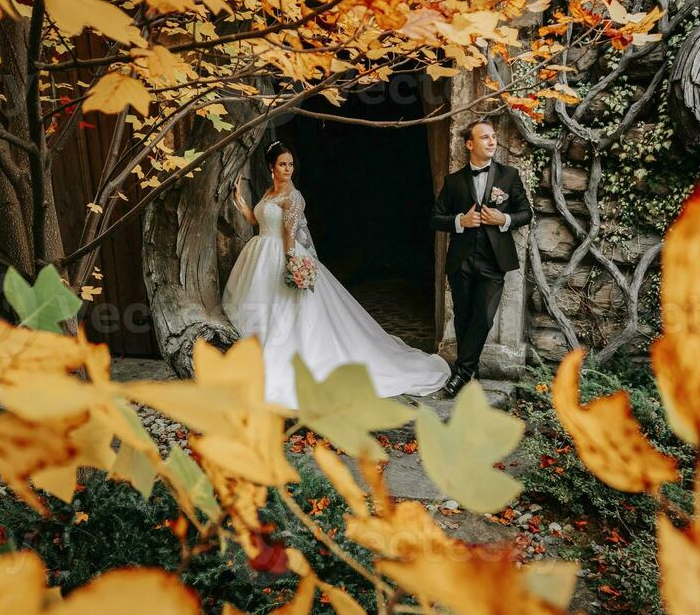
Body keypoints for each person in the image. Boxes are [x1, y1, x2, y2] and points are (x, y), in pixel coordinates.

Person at [223, 140, 450, 408]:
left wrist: (292, 263)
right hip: (259, 253)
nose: (288, 169)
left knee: (284, 312)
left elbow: (289, 234)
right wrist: (238, 200)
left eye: (291, 164)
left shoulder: (293, 197)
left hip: (282, 255)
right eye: (283, 164)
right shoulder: (269, 193)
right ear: (272, 167)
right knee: (260, 309)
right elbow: (256, 221)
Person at [429, 118, 532, 398]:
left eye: (493, 137)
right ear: (470, 144)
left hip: (493, 262)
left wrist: (504, 218)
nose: (491, 141)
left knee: (484, 318)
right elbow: (435, 218)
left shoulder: (508, 176)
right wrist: (460, 221)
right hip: (461, 261)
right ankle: (467, 372)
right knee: (463, 317)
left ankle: (461, 372)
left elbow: (526, 212)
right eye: (484, 137)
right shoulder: (453, 182)